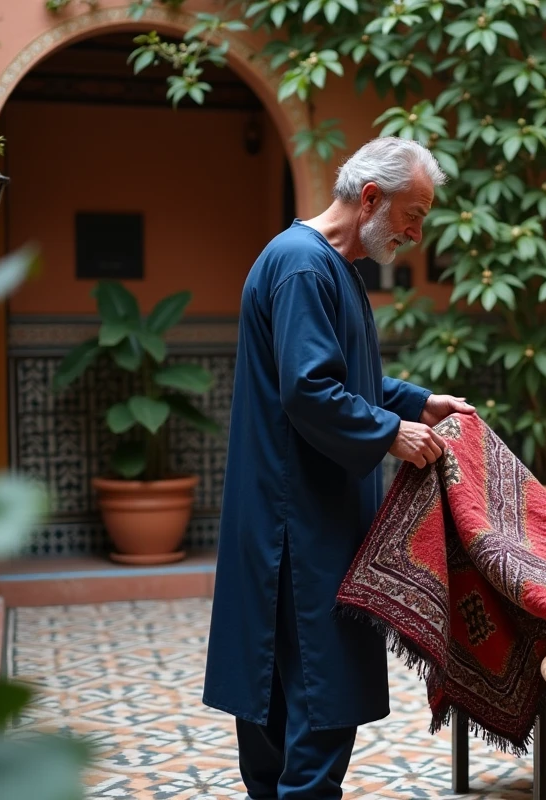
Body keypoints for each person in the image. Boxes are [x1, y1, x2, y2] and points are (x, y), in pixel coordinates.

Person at [203, 137, 474, 799]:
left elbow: (346, 379)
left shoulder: (326, 267)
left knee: (278, 700)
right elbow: (310, 392)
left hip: (293, 518)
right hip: (299, 527)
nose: (417, 231)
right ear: (372, 198)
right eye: (414, 214)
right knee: (317, 703)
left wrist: (417, 402)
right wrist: (392, 435)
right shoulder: (303, 266)